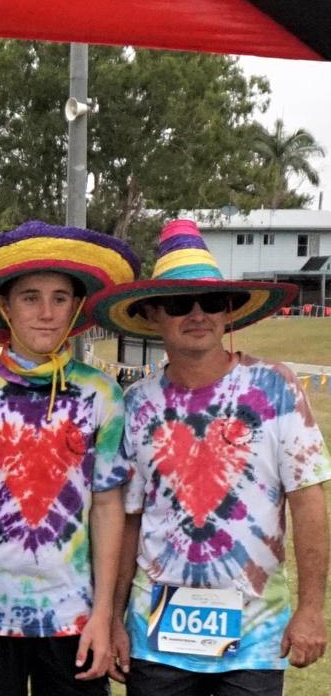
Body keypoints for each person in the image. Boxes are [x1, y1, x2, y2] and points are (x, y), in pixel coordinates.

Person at [89, 219, 328, 696]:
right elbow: (129, 519)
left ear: (229, 312)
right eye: (180, 304)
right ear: (155, 313)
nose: (197, 314)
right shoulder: (136, 403)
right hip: (156, 634)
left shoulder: (275, 389)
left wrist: (309, 610)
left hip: (253, 635)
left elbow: (308, 501)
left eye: (212, 302)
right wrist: (114, 618)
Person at [0, 221, 140, 696]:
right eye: (30, 297)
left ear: (75, 308)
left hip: (74, 617)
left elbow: (108, 506)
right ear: (4, 306)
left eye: (60, 298)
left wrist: (105, 615)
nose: (46, 313)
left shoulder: (102, 394)